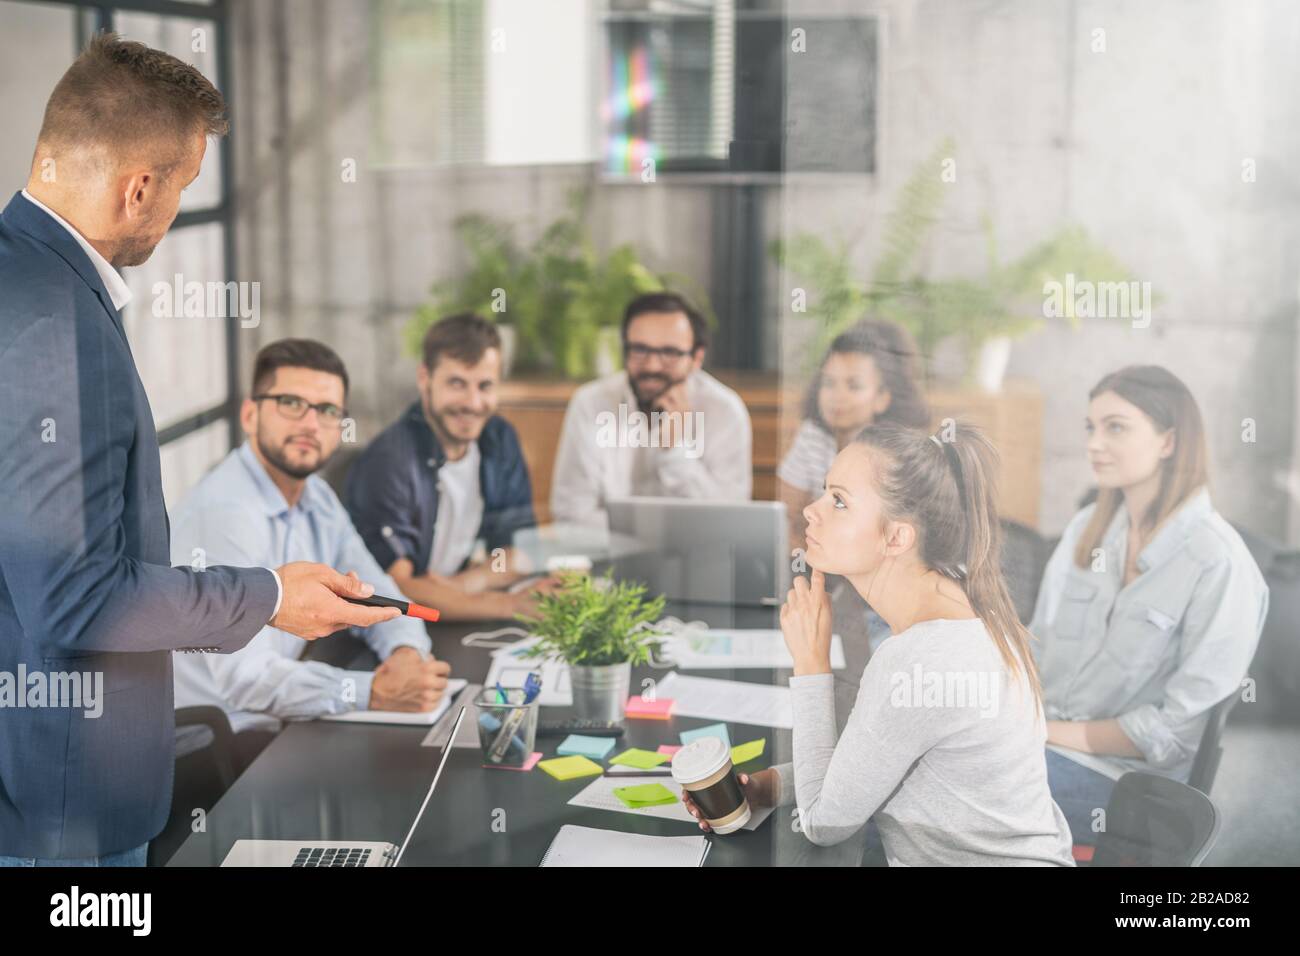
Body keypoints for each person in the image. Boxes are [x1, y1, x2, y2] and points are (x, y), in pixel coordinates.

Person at [0, 33, 396, 866]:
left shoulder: (21, 280)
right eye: (181, 186)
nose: (175, 211)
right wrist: (266, 597)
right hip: (63, 806)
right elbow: (75, 599)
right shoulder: (59, 330)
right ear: (138, 188)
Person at [682, 421, 1074, 866]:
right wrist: (768, 786)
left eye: (839, 501)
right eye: (825, 491)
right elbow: (872, 757)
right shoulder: (969, 607)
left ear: (897, 538)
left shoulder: (917, 660)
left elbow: (822, 823)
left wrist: (811, 662)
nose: (811, 509)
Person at [171, 340, 452, 769]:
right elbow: (245, 679)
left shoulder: (316, 496)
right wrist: (373, 691)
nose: (311, 424)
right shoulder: (225, 513)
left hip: (281, 718)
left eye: (327, 411)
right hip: (221, 745)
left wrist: (405, 656)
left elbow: (376, 591)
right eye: (290, 403)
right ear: (250, 414)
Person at [1029, 366, 1268, 846]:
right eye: (1091, 428)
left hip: (1130, 787)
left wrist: (1041, 732)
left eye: (1115, 427)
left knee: (954, 786)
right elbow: (1037, 651)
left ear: (1168, 441)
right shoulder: (1084, 532)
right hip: (1043, 749)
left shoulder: (1219, 562)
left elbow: (1174, 735)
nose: (1095, 443)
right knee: (930, 771)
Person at [347, 313, 551, 621]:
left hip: (455, 608)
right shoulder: (389, 461)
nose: (472, 402)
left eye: (485, 386)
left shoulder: (498, 438)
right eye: (457, 384)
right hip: (393, 625)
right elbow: (394, 589)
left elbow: (519, 553)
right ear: (424, 379)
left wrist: (462, 585)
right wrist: (509, 605)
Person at [549, 291, 752, 527]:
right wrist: (658, 534)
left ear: (696, 358)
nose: (652, 366)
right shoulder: (591, 403)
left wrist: (675, 451)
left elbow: (729, 522)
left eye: (669, 353)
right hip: (609, 558)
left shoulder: (725, 411)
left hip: (697, 561)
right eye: (640, 350)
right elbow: (570, 513)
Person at [778, 319, 929, 555]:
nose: (837, 396)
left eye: (854, 386)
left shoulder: (897, 451)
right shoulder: (812, 436)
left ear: (882, 397)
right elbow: (786, 517)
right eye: (829, 383)